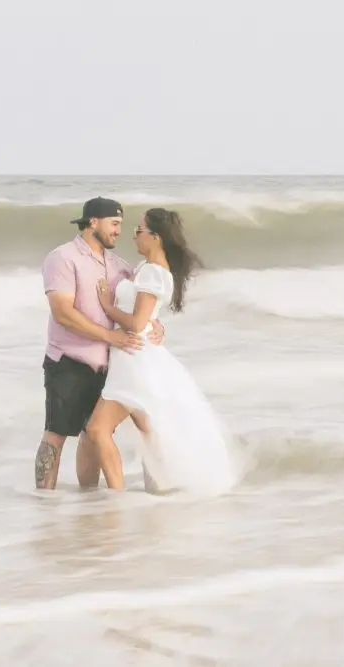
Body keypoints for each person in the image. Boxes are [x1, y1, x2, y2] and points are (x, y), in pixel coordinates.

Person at [85, 207, 239, 495]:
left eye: (139, 230)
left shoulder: (154, 272)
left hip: (133, 360)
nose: (133, 235)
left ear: (156, 237)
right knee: (148, 431)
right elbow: (145, 315)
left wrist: (108, 306)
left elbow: (135, 323)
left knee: (97, 430)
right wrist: (153, 322)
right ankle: (159, 495)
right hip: (134, 358)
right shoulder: (148, 269)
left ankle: (119, 499)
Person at [35, 197, 165, 490]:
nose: (120, 231)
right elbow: (63, 313)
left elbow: (142, 303)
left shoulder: (120, 266)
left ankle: (89, 502)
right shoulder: (63, 258)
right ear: (93, 222)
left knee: (93, 434)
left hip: (111, 365)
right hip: (68, 360)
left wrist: (157, 325)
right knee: (56, 434)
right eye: (115, 224)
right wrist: (111, 336)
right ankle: (44, 505)